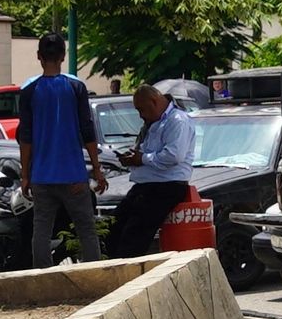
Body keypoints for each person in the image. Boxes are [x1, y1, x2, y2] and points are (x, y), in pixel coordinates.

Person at [13, 35, 105, 263]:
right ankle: (94, 277)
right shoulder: (76, 87)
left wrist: (25, 176)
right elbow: (88, 132)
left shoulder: (29, 91)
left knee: (41, 231)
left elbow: (26, 138)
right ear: (63, 56)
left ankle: (42, 280)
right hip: (74, 176)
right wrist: (96, 169)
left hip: (42, 176)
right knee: (86, 230)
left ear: (39, 57)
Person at [110, 83, 197, 258]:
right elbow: (147, 153)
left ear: (154, 101)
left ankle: (128, 273)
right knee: (112, 227)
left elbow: (173, 156)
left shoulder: (177, 120)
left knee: (133, 236)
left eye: (141, 109)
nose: (141, 115)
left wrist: (141, 158)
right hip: (145, 185)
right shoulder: (153, 123)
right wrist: (132, 158)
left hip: (165, 186)